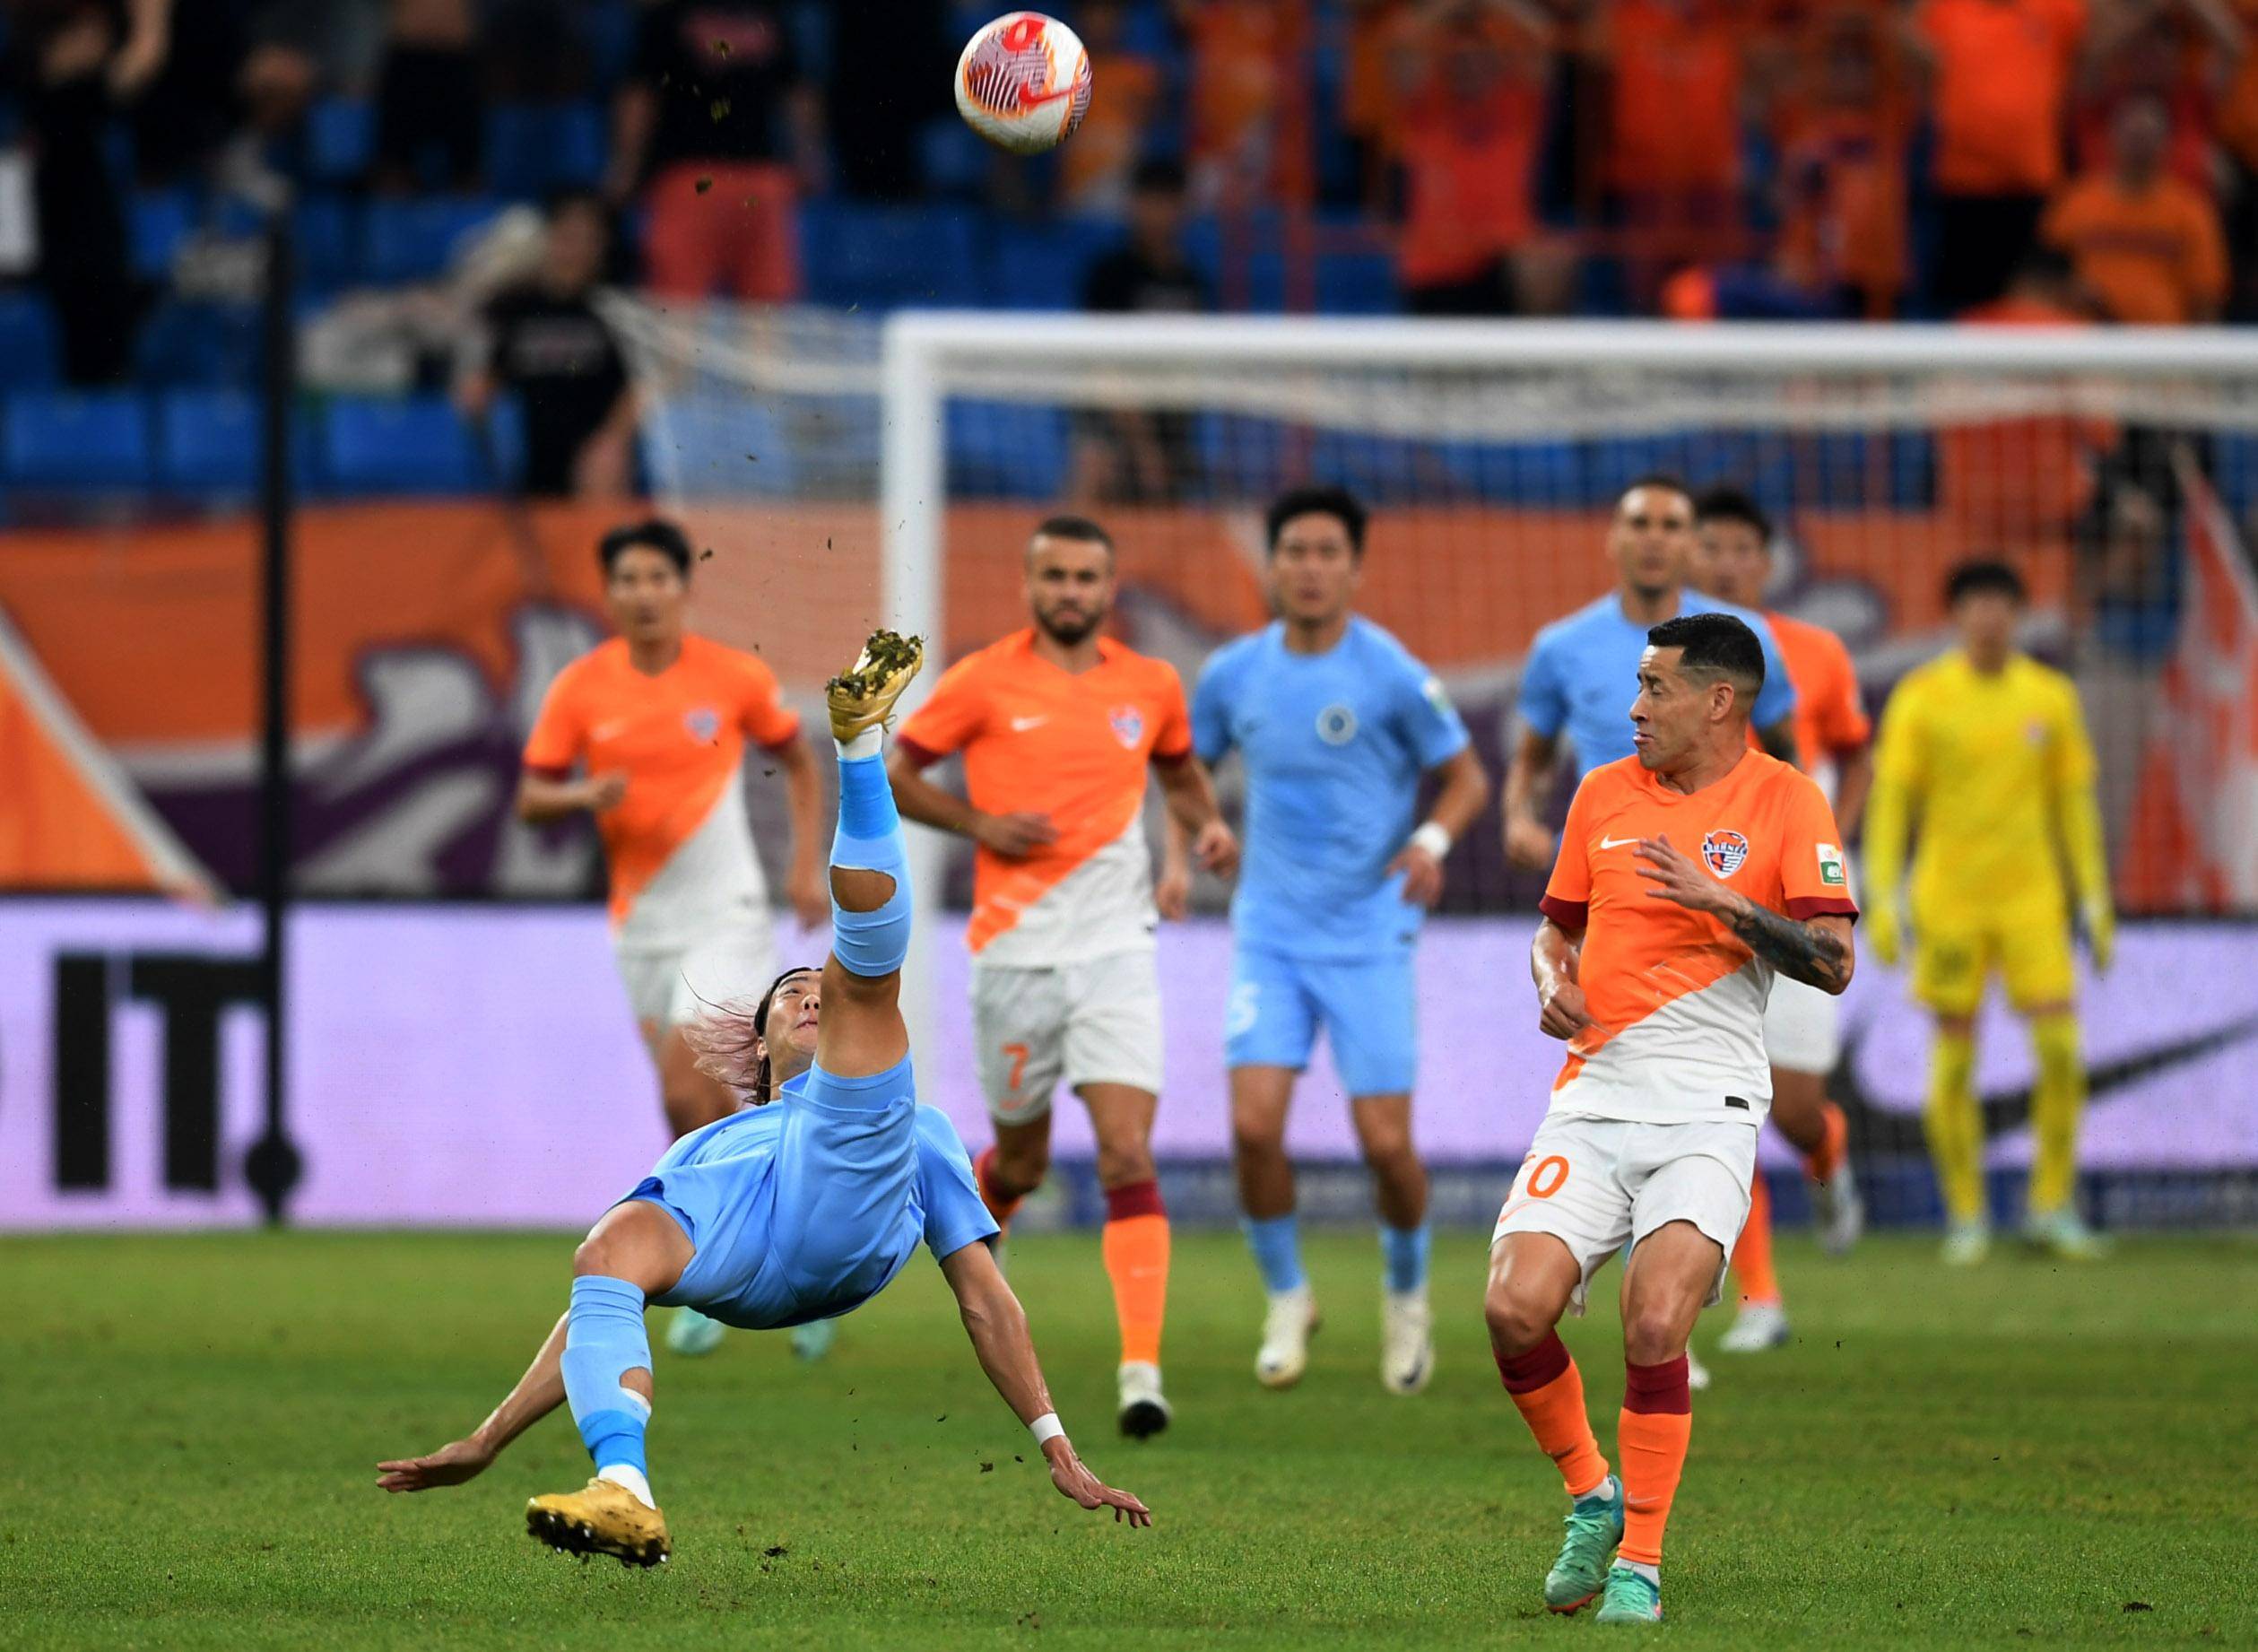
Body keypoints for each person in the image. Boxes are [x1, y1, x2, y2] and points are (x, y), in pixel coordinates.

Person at [378, 632, 1152, 1562]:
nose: (808, 997)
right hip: (744, 1257)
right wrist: (487, 1439)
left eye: (815, 989)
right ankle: (622, 1486)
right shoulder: (706, 1149)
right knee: (605, 1250)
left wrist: (1053, 1442)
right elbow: (599, 1303)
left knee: (870, 973)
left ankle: (858, 748)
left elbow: (983, 1296)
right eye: (791, 994)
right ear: (760, 1038)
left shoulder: (916, 1129)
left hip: (843, 1224)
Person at [1488, 612, 1857, 1626]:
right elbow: (1553, 931)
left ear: (1717, 701)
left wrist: (1724, 902)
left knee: (1654, 1324)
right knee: (1512, 1311)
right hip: (1595, 1092)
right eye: (1637, 687)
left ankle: (1639, 1560)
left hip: (1709, 1103)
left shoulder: (1787, 800)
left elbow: (1832, 964)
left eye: (1654, 689)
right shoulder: (1602, 792)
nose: (1633, 707)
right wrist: (1546, 983)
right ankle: (1589, 1495)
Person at [887, 517, 1238, 1439]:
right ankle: (977, 1287)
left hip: (1117, 948)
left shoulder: (1150, 684)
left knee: (1126, 1152)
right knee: (1027, 1159)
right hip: (1012, 955)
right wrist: (978, 826)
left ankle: (1140, 1371)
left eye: (1087, 575)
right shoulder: (982, 679)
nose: (1071, 590)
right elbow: (896, 773)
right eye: (1056, 575)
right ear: (1029, 584)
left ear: (1109, 587)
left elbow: (1182, 778)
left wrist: (1201, 834)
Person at [1191, 486, 1490, 1396]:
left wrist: (1430, 841)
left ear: (1354, 568)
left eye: (1328, 553)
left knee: (1385, 1146)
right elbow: (1185, 767)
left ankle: (1406, 1300)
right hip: (1270, 934)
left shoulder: (1391, 672)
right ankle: (1288, 1296)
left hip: (1367, 935)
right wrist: (1202, 828)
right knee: (1250, 1129)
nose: (1311, 568)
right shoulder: (1233, 673)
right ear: (1271, 565)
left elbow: (1465, 778)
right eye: (1296, 552)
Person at [518, 519, 829, 1358]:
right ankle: (780, 1241)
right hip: (640, 927)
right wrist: (585, 794)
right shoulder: (583, 689)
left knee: (690, 1088)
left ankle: (714, 1259)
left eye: (660, 577)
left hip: (724, 912)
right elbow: (530, 798)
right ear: (610, 592)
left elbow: (799, 761)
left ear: (685, 587)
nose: (645, 593)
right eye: (629, 579)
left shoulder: (731, 676)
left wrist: (806, 869)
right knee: (685, 1103)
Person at [1863, 560, 2115, 1264]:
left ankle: (2050, 1206)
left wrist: (2094, 896)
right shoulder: (1924, 696)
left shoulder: (2050, 697)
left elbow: (2074, 802)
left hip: (2033, 900)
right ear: (1954, 615)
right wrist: (1883, 896)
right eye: (1974, 604)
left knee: (2062, 1052)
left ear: (2019, 613)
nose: (1988, 617)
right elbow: (1892, 804)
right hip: (1949, 903)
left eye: (2001, 604)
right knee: (1952, 1064)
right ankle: (1968, 1215)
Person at [1693, 487, 1873, 1353]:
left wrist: (1840, 839)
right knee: (1731, 1103)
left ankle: (1829, 1156)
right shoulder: (1666, 658)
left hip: (1795, 893)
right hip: (1708, 897)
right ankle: (1759, 1296)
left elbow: (1851, 749)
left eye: (1740, 548)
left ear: (1766, 562)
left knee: (1795, 1109)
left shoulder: (1815, 655)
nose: (1725, 562)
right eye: (1712, 547)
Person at [1502, 475, 1801, 878]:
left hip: (1719, 870)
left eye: (1671, 526)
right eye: (1640, 524)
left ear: (1693, 546)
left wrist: (1790, 842)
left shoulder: (1745, 639)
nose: (1654, 539)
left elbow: (1787, 756)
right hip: (1604, 869)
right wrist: (1520, 821)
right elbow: (1533, 762)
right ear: (1612, 539)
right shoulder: (1561, 647)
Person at [607, 0, 824, 302]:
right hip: (693, 178)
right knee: (680, 303)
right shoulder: (668, 18)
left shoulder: (770, 16)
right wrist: (626, 163)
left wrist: (809, 155)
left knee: (761, 307)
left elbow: (797, 92)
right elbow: (640, 95)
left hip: (749, 179)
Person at [1905, 0, 2088, 313]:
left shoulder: (2057, 8)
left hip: (2032, 186)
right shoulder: (1945, 10)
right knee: (1963, 306)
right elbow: (1910, 48)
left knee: (2030, 307)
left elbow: (2091, 52)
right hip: (1961, 187)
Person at [459, 192, 638, 500]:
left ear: (603, 246)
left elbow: (639, 386)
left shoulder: (615, 310)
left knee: (605, 474)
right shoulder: (516, 307)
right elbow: (486, 377)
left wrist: (613, 439)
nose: (576, 249)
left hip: (593, 462)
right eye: (568, 236)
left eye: (588, 239)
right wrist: (477, 392)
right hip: (533, 461)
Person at [1073, 159, 1212, 503]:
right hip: (1113, 419)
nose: (1157, 213)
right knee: (1094, 461)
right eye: (1148, 201)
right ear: (1132, 204)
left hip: (1172, 421)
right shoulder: (1111, 275)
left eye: (1167, 202)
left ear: (1183, 208)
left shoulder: (1192, 281)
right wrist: (1145, 449)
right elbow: (1104, 369)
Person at [2042, 92, 2228, 325]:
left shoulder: (2190, 209)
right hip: (2085, 343)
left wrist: (2200, 353)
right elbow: (2041, 278)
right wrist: (2070, 292)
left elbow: (2206, 295)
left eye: (2148, 136)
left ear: (2167, 142)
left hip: (2163, 346)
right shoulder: (2078, 201)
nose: (2139, 146)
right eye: (2133, 135)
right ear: (2111, 135)